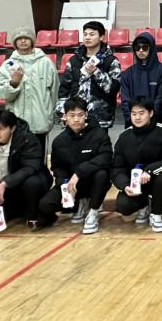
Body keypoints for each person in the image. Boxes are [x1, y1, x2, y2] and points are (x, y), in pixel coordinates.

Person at [36, 97, 112, 234]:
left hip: (92, 182)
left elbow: (105, 158)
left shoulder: (99, 134)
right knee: (45, 204)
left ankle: (93, 211)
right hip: (72, 185)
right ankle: (79, 204)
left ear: (86, 115)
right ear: (65, 117)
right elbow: (57, 167)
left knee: (102, 175)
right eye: (72, 115)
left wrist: (79, 172)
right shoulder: (59, 141)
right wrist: (64, 185)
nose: (76, 119)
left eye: (80, 115)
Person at [111, 98, 162, 231]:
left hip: (157, 180)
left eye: (141, 113)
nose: (137, 117)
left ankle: (156, 214)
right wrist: (125, 185)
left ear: (150, 113)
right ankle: (145, 205)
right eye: (134, 114)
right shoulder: (124, 136)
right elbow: (117, 168)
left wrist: (149, 170)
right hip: (135, 184)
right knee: (123, 205)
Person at [0, 26, 59, 150]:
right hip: (15, 122)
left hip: (40, 120)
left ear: (32, 41)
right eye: (19, 38)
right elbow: (2, 94)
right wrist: (13, 83)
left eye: (26, 38)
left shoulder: (46, 63)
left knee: (38, 156)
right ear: (15, 42)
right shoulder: (7, 65)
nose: (23, 41)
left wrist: (49, 113)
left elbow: (54, 92)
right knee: (17, 156)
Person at [56, 21, 122, 129]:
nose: (87, 37)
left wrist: (96, 72)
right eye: (85, 34)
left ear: (101, 37)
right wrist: (62, 111)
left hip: (100, 118)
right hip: (76, 117)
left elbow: (113, 88)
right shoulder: (74, 60)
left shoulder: (110, 61)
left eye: (92, 34)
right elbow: (64, 89)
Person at [119, 31, 162, 122]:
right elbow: (125, 100)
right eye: (137, 47)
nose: (141, 50)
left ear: (151, 48)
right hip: (133, 121)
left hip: (156, 121)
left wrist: (149, 117)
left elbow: (161, 97)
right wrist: (132, 118)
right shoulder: (127, 73)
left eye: (144, 47)